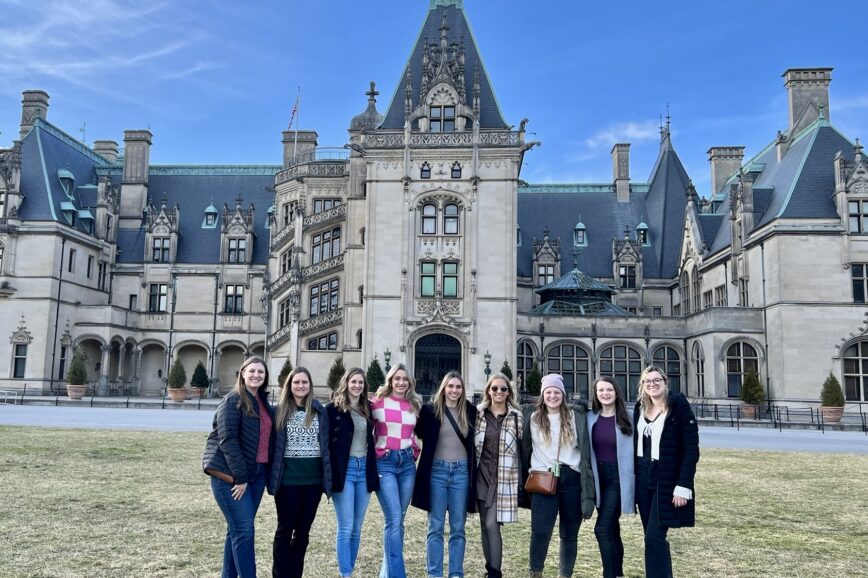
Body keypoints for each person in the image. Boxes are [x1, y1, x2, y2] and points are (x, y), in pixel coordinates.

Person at [202, 356, 274, 578]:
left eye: (260, 372)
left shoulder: (262, 402)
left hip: (257, 475)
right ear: (242, 373)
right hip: (233, 478)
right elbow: (227, 439)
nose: (256, 375)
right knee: (244, 531)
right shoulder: (233, 400)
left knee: (236, 530)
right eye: (251, 371)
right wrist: (240, 478)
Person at [521, 373, 595, 578]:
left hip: (571, 478)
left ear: (563, 394)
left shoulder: (576, 416)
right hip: (543, 478)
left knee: (569, 534)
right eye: (548, 392)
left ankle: (565, 574)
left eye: (557, 392)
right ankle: (536, 572)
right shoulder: (532, 417)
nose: (552, 396)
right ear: (542, 394)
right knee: (540, 532)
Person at [633, 366, 700, 578]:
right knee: (651, 537)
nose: (652, 384)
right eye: (647, 381)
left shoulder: (678, 406)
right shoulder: (639, 407)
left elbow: (691, 450)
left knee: (654, 536)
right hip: (643, 475)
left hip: (666, 477)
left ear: (665, 382)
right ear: (642, 385)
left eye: (656, 380)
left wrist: (683, 486)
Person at [268, 366, 332, 578]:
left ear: (310, 386)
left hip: (312, 483)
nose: (301, 386)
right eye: (296, 382)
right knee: (284, 531)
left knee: (303, 533)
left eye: (304, 382)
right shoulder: (278, 411)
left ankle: (295, 574)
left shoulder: (319, 411)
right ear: (290, 385)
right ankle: (279, 574)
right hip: (287, 482)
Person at [413, 371, 478, 578]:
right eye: (450, 386)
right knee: (436, 527)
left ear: (463, 390)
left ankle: (456, 574)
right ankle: (434, 574)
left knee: (458, 528)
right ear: (443, 388)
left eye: (458, 387)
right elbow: (416, 432)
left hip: (461, 473)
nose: (454, 390)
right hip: (437, 473)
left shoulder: (471, 411)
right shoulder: (430, 411)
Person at [327, 367, 379, 578]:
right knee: (346, 526)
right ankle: (345, 574)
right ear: (346, 383)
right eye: (353, 382)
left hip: (364, 469)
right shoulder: (333, 409)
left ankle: (349, 570)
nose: (357, 386)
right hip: (345, 470)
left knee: (357, 527)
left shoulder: (368, 408)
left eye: (360, 382)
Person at [371, 363, 422, 578]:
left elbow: (417, 434)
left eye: (405, 379)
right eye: (397, 378)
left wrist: (414, 451)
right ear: (390, 380)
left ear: (410, 382)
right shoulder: (376, 403)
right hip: (385, 463)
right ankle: (398, 574)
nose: (401, 382)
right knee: (393, 519)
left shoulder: (414, 405)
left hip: (407, 465)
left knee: (398, 521)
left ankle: (386, 573)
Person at [474, 373, 524, 578]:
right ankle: (489, 569)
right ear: (488, 390)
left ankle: (495, 573)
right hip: (481, 474)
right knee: (484, 526)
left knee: (491, 524)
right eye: (495, 388)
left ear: (509, 392)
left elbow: (523, 448)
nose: (499, 392)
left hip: (504, 476)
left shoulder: (516, 416)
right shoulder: (477, 414)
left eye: (503, 389)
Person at [587, 377, 635, 578]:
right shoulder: (590, 417)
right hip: (598, 479)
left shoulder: (629, 418)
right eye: (600, 390)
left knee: (602, 528)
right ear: (596, 394)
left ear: (616, 392)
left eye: (609, 389)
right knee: (612, 529)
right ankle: (618, 573)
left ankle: (609, 574)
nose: (605, 393)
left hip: (618, 478)